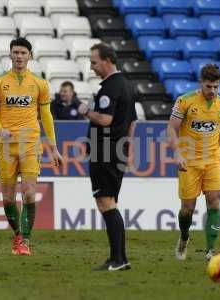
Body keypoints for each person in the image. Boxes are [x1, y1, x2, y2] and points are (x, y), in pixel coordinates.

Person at [0, 37, 62, 256]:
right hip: (6, 145)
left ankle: (25, 241)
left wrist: (53, 147)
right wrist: (0, 128)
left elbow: (46, 116)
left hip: (30, 143)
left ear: (30, 56)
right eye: (16, 52)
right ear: (10, 55)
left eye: (23, 53)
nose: (19, 56)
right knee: (8, 198)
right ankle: (18, 235)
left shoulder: (39, 84)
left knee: (29, 193)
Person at [77, 43, 137, 271]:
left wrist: (85, 112)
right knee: (110, 202)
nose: (92, 67)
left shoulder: (111, 87)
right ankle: (120, 258)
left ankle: (118, 259)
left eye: (94, 62)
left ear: (107, 60)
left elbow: (105, 120)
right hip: (116, 150)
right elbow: (132, 122)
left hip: (104, 152)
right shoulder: (127, 86)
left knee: (105, 202)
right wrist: (127, 149)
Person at [167, 64, 220, 261]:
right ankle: (184, 236)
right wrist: (177, 153)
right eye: (209, 86)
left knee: (214, 201)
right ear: (200, 83)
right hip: (190, 162)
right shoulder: (185, 101)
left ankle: (211, 250)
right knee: (187, 209)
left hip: (212, 161)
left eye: (216, 87)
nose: (212, 91)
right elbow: (171, 128)